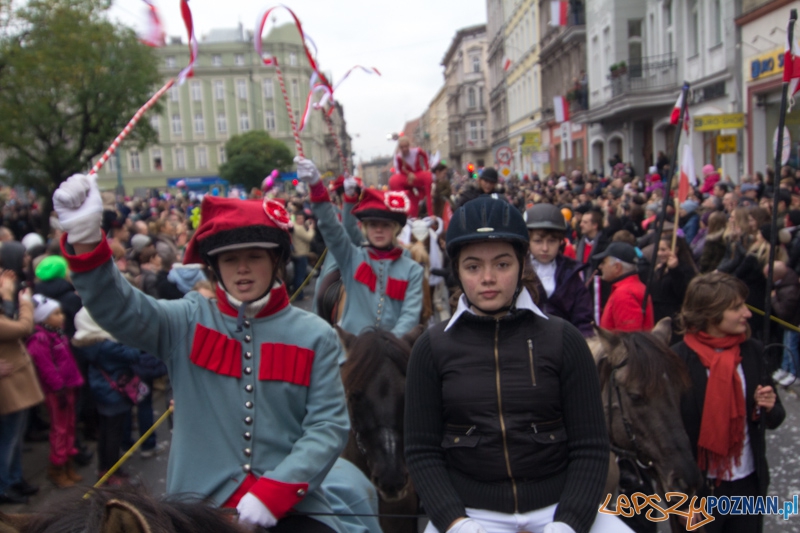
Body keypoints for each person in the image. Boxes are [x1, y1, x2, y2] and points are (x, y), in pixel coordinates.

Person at [54, 173, 352, 532]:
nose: (241, 268)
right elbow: (119, 308)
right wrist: (87, 240)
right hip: (194, 510)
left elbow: (328, 426)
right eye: (229, 259)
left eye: (254, 256)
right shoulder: (186, 320)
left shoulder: (315, 335)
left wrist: (274, 492)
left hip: (290, 507)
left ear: (276, 261)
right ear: (214, 267)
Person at [405, 196, 631, 533]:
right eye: (472, 266)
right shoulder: (430, 348)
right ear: (457, 270)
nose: (487, 278)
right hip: (470, 512)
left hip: (559, 507)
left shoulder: (564, 340)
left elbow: (591, 446)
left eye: (502, 264)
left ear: (521, 263)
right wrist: (455, 522)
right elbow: (422, 450)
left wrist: (569, 523)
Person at [673, 272, 784, 533]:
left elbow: (776, 416)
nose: (747, 313)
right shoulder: (678, 360)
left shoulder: (753, 351)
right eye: (736, 307)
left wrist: (767, 406)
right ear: (711, 314)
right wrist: (680, 500)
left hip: (747, 487)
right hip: (698, 493)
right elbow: (668, 439)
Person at [299, 157, 424, 343]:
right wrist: (317, 186)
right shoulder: (352, 257)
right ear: (365, 228)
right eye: (373, 225)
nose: (379, 230)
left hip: (394, 349)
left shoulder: (413, 270)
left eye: (385, 225)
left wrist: (388, 346)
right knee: (321, 290)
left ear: (395, 229)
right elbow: (333, 229)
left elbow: (410, 315)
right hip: (352, 350)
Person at [26, 295, 84, 488]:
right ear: (43, 318)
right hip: (56, 391)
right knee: (59, 428)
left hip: (68, 387)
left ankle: (67, 462)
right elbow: (46, 367)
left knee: (69, 425)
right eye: (56, 313)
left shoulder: (57, 333)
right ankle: (56, 468)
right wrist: (58, 387)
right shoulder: (40, 338)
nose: (62, 317)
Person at [0, 275, 41, 505]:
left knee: (15, 437)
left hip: (15, 380)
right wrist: (24, 302)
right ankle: (4, 485)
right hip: (8, 386)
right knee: (8, 439)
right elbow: (21, 327)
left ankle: (15, 479)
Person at [524, 203, 593, 337]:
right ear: (528, 241)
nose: (545, 248)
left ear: (560, 241)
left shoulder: (571, 272)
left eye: (552, 241)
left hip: (564, 345)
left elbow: (583, 317)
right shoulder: (518, 271)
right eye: (538, 241)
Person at [594, 242, 654, 332]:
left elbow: (628, 339)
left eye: (604, 262)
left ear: (617, 267)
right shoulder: (635, 287)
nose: (600, 266)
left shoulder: (624, 293)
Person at [389, 137, 433, 218]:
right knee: (394, 181)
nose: (404, 149)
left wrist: (427, 169)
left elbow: (425, 156)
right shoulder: (399, 157)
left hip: (418, 174)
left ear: (409, 146)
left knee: (428, 177)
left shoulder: (417, 151)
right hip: (408, 177)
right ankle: (404, 213)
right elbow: (400, 170)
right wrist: (408, 174)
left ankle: (431, 213)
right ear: (400, 148)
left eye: (406, 146)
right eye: (402, 147)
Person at [290, 210, 315, 301]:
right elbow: (309, 238)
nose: (301, 220)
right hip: (301, 254)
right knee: (300, 276)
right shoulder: (299, 228)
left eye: (302, 218)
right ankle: (299, 295)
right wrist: (311, 228)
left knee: (299, 275)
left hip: (296, 253)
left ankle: (297, 292)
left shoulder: (293, 226)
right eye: (299, 218)